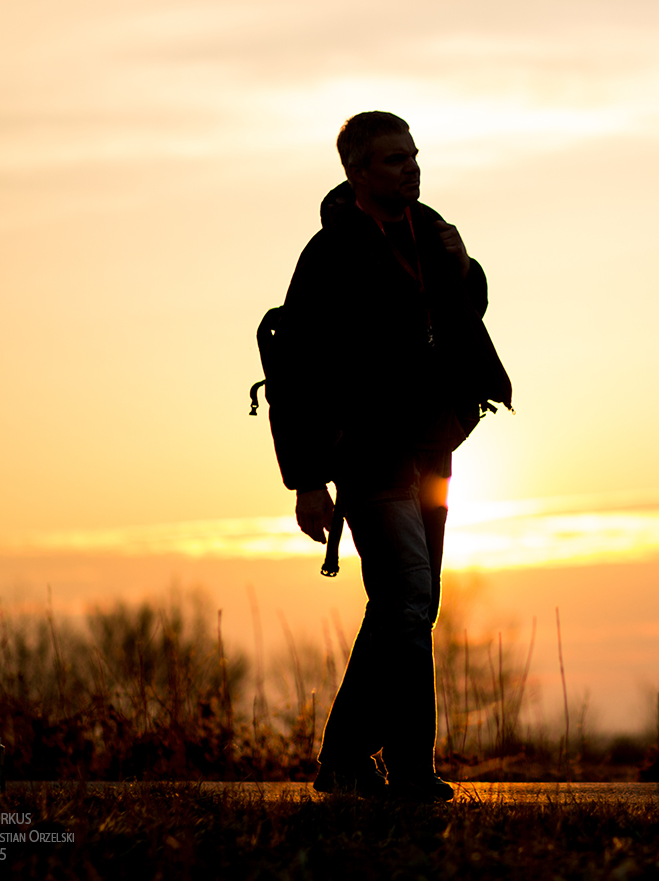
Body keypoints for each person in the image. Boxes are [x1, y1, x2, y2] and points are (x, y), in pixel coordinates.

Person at [270, 111, 498, 801]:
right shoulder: (329, 254)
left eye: (413, 155)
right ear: (356, 172)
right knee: (406, 599)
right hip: (368, 452)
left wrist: (467, 270)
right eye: (394, 159)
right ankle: (408, 768)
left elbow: (460, 318)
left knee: (408, 606)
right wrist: (308, 480)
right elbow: (295, 374)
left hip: (432, 447)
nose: (411, 167)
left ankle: (345, 758)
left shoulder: (432, 239)